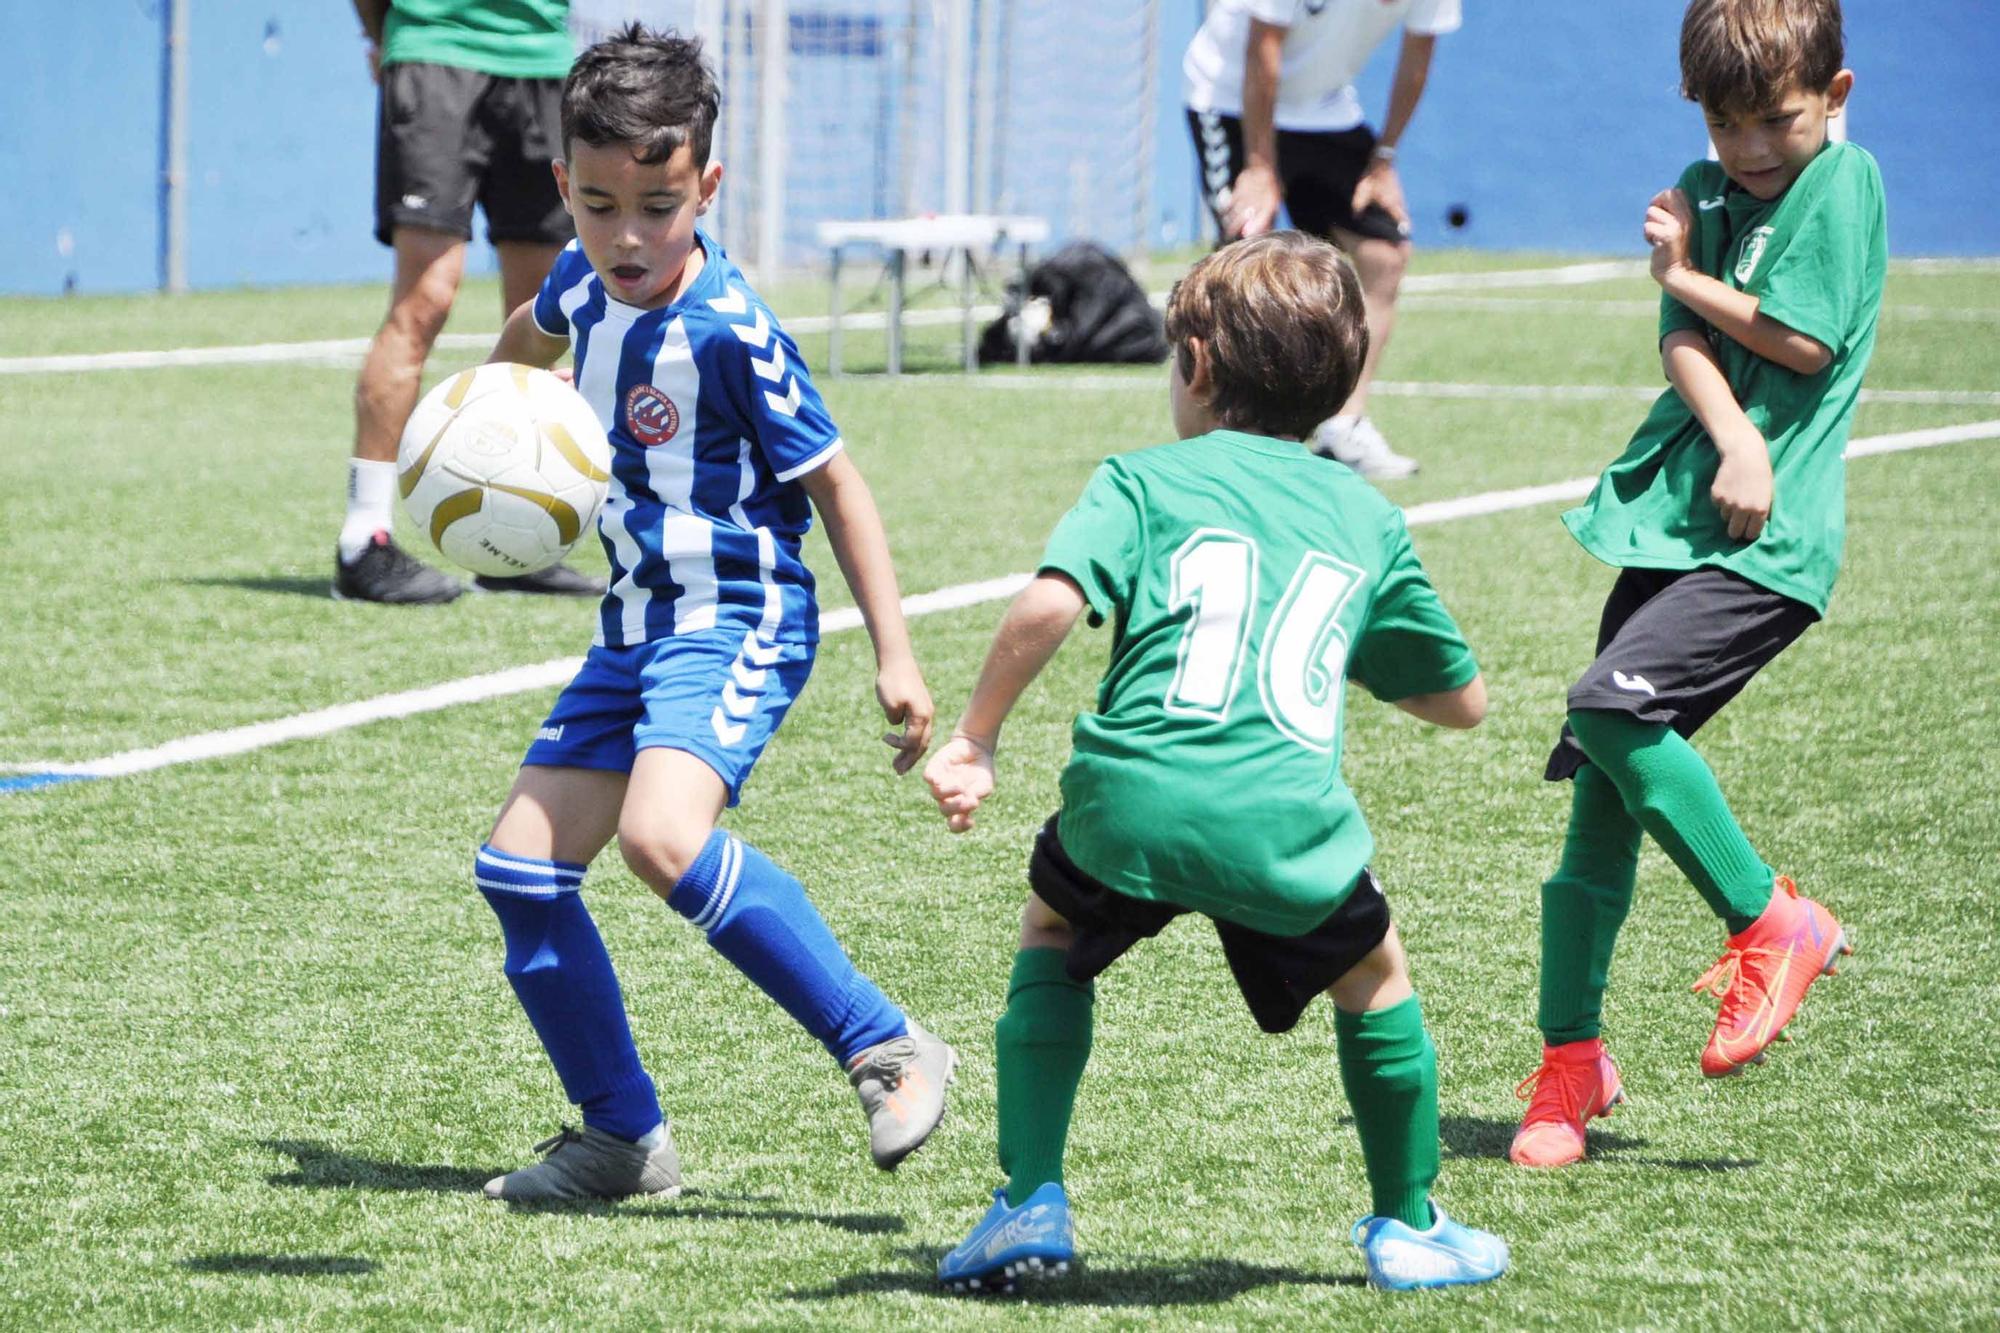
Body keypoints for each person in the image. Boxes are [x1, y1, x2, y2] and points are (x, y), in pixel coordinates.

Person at [922, 232, 1509, 1293]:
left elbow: (1051, 600)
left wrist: (976, 736)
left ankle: (1028, 1199)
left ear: (1193, 367)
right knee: (1373, 979)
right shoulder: (1365, 517)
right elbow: (1459, 701)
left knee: (1053, 934)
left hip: (1128, 806)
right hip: (1283, 826)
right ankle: (1406, 1221)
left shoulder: (1140, 482)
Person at [469, 26, 954, 1201]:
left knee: (661, 837)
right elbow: (520, 350)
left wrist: (895, 654)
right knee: (517, 870)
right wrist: (490, 451)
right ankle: (621, 1140)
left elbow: (836, 481)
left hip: (738, 615)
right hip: (634, 625)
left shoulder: (732, 330)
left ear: (707, 187)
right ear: (564, 191)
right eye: (597, 204)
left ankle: (884, 1042)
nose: (626, 236)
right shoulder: (578, 278)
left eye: (657, 204)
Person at [1510, 0, 1880, 1171]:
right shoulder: (1699, 182)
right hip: (1679, 522)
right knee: (1598, 805)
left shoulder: (1845, 184)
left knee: (1608, 705)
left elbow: (1802, 341)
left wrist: (1685, 283)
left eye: (1776, 120)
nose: (1752, 148)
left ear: (1835, 95)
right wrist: (1730, 434)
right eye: (1727, 125)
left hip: (1768, 547)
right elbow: (1680, 336)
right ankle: (1568, 1064)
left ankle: (1774, 922)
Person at [337, 0, 604, 604]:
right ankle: (364, 540)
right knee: (426, 299)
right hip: (438, 51)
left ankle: (513, 539)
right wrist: (388, 36)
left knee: (544, 309)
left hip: (542, 60)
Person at [1183, 0, 1460, 480]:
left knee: (1384, 255)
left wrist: (1384, 159)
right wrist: (1261, 167)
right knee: (1238, 263)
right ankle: (1212, 444)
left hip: (1324, 109)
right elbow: (1261, 47)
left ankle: (1343, 427)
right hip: (1229, 97)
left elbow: (1419, 53)